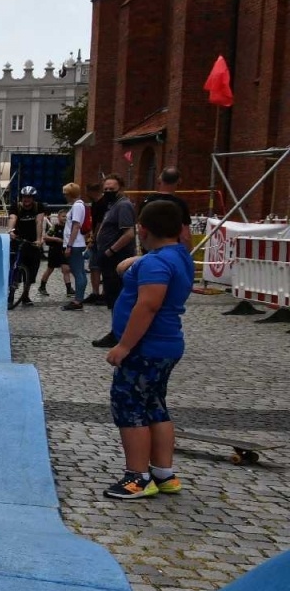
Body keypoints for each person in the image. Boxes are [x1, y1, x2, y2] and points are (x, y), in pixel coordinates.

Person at [103, 200, 193, 499]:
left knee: (129, 406)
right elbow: (156, 261)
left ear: (142, 229)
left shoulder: (156, 264)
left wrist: (124, 345)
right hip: (166, 345)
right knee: (155, 406)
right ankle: (164, 473)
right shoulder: (178, 255)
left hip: (145, 347)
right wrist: (134, 262)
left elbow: (149, 304)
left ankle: (137, 477)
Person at [91, 175, 138, 347]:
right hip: (110, 258)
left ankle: (119, 334)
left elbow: (129, 234)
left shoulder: (123, 205)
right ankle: (117, 331)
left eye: (112, 189)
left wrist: (110, 251)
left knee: (118, 297)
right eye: (106, 189)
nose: (108, 192)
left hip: (117, 259)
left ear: (121, 188)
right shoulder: (113, 205)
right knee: (112, 297)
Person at [9, 186, 45, 306]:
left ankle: (26, 295)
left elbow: (39, 222)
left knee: (31, 270)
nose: (26, 200)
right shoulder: (16, 207)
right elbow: (13, 218)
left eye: (29, 197)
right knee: (15, 267)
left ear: (33, 198)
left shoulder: (38, 207)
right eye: (24, 197)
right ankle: (11, 294)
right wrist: (10, 231)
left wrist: (39, 239)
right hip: (18, 240)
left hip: (32, 242)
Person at [139, 167, 192, 247]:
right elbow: (185, 236)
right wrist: (187, 254)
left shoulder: (147, 201)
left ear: (160, 179)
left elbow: (141, 230)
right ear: (179, 181)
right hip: (172, 252)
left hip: (150, 251)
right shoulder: (180, 204)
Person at [60, 182, 89, 309]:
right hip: (77, 243)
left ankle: (78, 300)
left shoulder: (77, 206)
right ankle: (79, 298)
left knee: (78, 272)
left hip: (75, 244)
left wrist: (69, 245)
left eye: (66, 194)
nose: (64, 196)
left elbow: (76, 226)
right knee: (80, 271)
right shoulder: (79, 205)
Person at [85, 181, 109, 303]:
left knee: (102, 266)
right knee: (94, 266)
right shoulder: (95, 203)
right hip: (96, 238)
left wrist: (93, 237)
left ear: (91, 191)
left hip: (101, 239)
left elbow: (100, 223)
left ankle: (105, 293)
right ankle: (95, 293)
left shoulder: (103, 203)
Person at [38, 210, 71, 297]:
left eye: (66, 216)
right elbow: (46, 237)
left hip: (63, 251)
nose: (65, 218)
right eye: (63, 216)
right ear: (58, 217)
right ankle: (42, 286)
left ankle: (69, 289)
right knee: (50, 269)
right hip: (54, 250)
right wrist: (56, 239)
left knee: (66, 269)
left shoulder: (68, 227)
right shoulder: (55, 227)